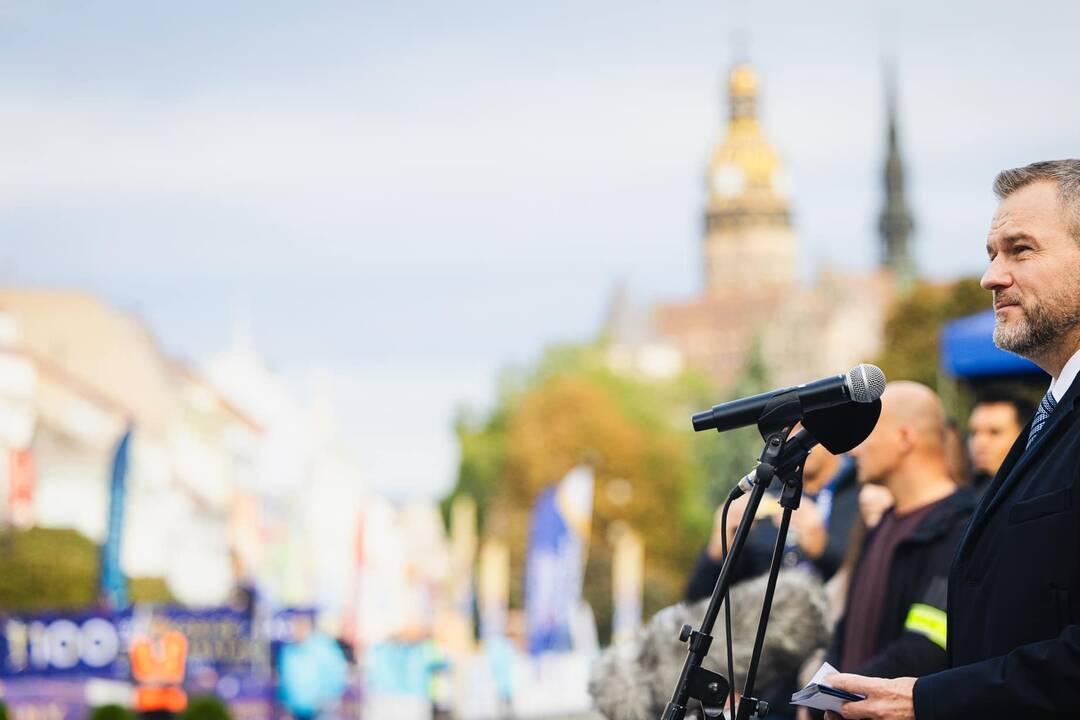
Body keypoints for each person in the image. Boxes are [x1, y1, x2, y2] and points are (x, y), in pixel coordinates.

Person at [826, 159, 1080, 718]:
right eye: (993, 253)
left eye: (1021, 250)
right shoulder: (1053, 408)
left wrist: (927, 698)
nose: (991, 276)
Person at [822, 382, 974, 680]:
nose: (854, 451)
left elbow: (927, 645)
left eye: (866, 434)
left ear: (904, 438)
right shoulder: (883, 523)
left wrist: (839, 694)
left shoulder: (960, 528)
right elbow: (847, 626)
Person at [685, 444, 859, 603]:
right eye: (787, 430)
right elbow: (697, 601)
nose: (797, 439)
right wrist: (718, 551)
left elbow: (871, 587)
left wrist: (823, 549)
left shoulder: (864, 495)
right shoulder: (760, 496)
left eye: (804, 426)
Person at [966, 385, 1034, 496]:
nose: (980, 442)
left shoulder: (1037, 492)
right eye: (974, 433)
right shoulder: (964, 496)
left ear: (1024, 436)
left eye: (994, 432)